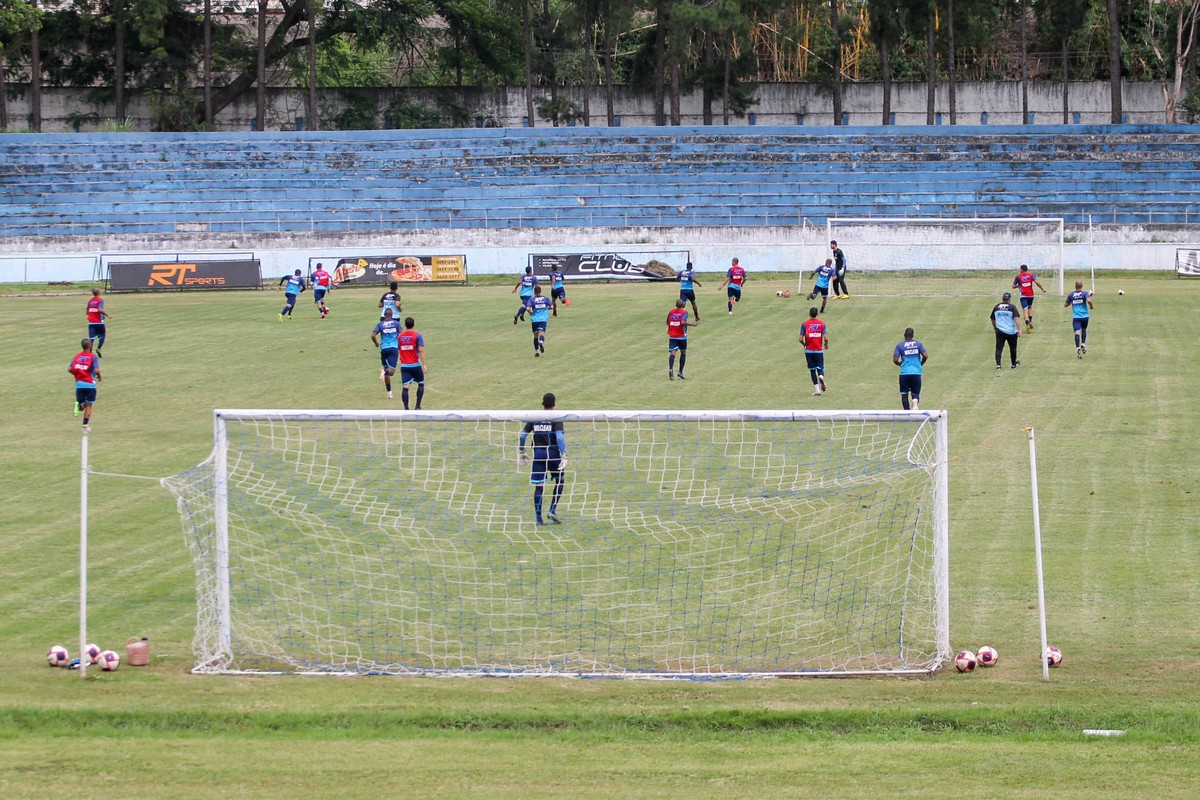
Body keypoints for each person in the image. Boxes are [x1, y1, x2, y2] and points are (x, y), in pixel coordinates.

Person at [518, 392, 567, 525]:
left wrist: (521, 451)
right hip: (553, 455)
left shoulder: (535, 417)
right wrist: (564, 455)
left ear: (542, 404)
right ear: (554, 404)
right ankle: (552, 509)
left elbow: (523, 436)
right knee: (560, 480)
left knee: (539, 486)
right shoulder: (556, 417)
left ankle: (539, 519)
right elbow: (559, 437)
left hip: (539, 455)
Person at [892, 327, 929, 410]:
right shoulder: (918, 344)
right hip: (916, 372)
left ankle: (907, 413)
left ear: (904, 335)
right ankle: (915, 401)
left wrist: (899, 364)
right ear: (913, 335)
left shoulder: (900, 346)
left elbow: (895, 359)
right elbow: (925, 355)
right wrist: (921, 363)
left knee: (904, 394)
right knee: (915, 393)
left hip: (904, 373)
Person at [69, 338, 101, 431]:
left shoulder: (77, 356)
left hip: (79, 384)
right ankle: (85, 425)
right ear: (90, 346)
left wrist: (77, 375)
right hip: (90, 384)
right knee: (89, 405)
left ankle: (79, 405)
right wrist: (99, 376)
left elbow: (70, 369)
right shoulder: (92, 357)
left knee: (82, 406)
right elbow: (96, 370)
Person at [371, 308, 401, 399]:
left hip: (384, 349)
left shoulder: (380, 324)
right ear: (392, 314)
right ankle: (384, 372)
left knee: (387, 371)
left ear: (384, 315)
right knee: (390, 372)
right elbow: (402, 334)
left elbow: (372, 335)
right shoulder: (396, 323)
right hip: (393, 348)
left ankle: (389, 392)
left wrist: (376, 343)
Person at [397, 316, 427, 409]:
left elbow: (399, 349)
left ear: (405, 325)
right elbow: (421, 350)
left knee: (405, 387)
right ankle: (418, 406)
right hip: (415, 364)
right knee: (421, 383)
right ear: (413, 324)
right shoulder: (417, 335)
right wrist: (424, 364)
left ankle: (406, 408)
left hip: (405, 365)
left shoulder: (400, 336)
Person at [667, 298, 699, 380]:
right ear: (683, 305)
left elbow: (667, 322)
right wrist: (693, 324)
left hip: (672, 336)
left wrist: (673, 324)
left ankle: (671, 369)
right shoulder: (684, 312)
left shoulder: (671, 311)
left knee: (673, 353)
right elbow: (682, 322)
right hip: (681, 336)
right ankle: (680, 372)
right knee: (683, 353)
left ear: (676, 305)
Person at [990, 291, 1022, 370]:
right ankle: (1013, 364)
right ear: (1010, 299)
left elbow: (992, 318)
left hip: (1000, 330)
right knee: (1013, 348)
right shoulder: (1012, 307)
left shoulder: (997, 307)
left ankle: (998, 365)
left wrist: (995, 327)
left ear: (1002, 299)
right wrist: (1019, 329)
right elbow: (1016, 318)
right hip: (1011, 331)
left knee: (999, 348)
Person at [800, 307, 828, 396]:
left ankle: (817, 390)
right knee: (820, 368)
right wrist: (826, 344)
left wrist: (805, 344)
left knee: (812, 370)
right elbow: (826, 338)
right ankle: (821, 376)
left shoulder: (805, 324)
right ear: (817, 314)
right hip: (818, 350)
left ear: (809, 314)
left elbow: (800, 339)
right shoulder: (822, 324)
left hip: (809, 351)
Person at [1064, 280, 1094, 358]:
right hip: (1085, 317)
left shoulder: (1071, 295)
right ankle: (1083, 344)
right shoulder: (1085, 293)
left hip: (1076, 317)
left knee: (1077, 333)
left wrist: (1072, 301)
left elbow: (1065, 305)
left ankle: (1078, 348)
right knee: (1084, 330)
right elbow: (1089, 300)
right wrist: (1091, 306)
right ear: (1082, 286)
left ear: (1075, 286)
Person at [1012, 264, 1046, 332]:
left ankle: (1027, 323)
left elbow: (1013, 286)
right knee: (1030, 307)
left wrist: (1019, 285)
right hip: (1031, 295)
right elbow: (1036, 282)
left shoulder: (1018, 276)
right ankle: (1030, 321)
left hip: (1023, 295)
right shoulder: (1031, 275)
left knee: (1025, 309)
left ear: (1021, 269)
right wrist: (1042, 289)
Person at [526, 284, 556, 357]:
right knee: (542, 332)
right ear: (540, 291)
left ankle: (537, 351)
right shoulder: (545, 298)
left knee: (535, 335)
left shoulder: (532, 299)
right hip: (543, 319)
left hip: (534, 319)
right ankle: (541, 341)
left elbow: (527, 308)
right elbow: (552, 306)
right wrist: (546, 308)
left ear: (534, 292)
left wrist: (531, 313)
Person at [85, 288, 111, 356]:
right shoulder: (100, 300)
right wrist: (107, 315)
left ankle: (90, 354)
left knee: (91, 338)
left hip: (91, 322)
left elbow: (87, 311)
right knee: (102, 335)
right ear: (99, 293)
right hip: (99, 322)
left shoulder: (90, 301)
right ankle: (98, 348)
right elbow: (99, 309)